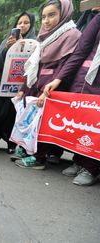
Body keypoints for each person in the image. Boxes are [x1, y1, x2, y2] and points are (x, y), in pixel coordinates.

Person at [14, 0, 81, 170]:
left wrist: (48, 91)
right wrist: (24, 89)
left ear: (64, 14)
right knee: (34, 120)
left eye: (51, 15)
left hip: (55, 87)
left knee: (46, 121)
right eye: (43, 16)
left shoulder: (72, 35)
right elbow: (34, 66)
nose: (46, 21)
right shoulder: (44, 37)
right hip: (38, 85)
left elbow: (66, 65)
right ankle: (33, 151)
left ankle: (39, 158)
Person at [43, 14, 100, 186]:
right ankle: (79, 161)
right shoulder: (98, 19)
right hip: (85, 79)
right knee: (82, 120)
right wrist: (58, 79)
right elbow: (80, 52)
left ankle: (92, 167)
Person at [0, 12, 36, 155]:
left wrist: (23, 47)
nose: (22, 25)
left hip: (22, 86)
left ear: (31, 25)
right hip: (5, 84)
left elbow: (34, 64)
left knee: (13, 114)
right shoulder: (7, 41)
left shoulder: (35, 42)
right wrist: (9, 49)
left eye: (26, 22)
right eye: (19, 23)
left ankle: (12, 143)